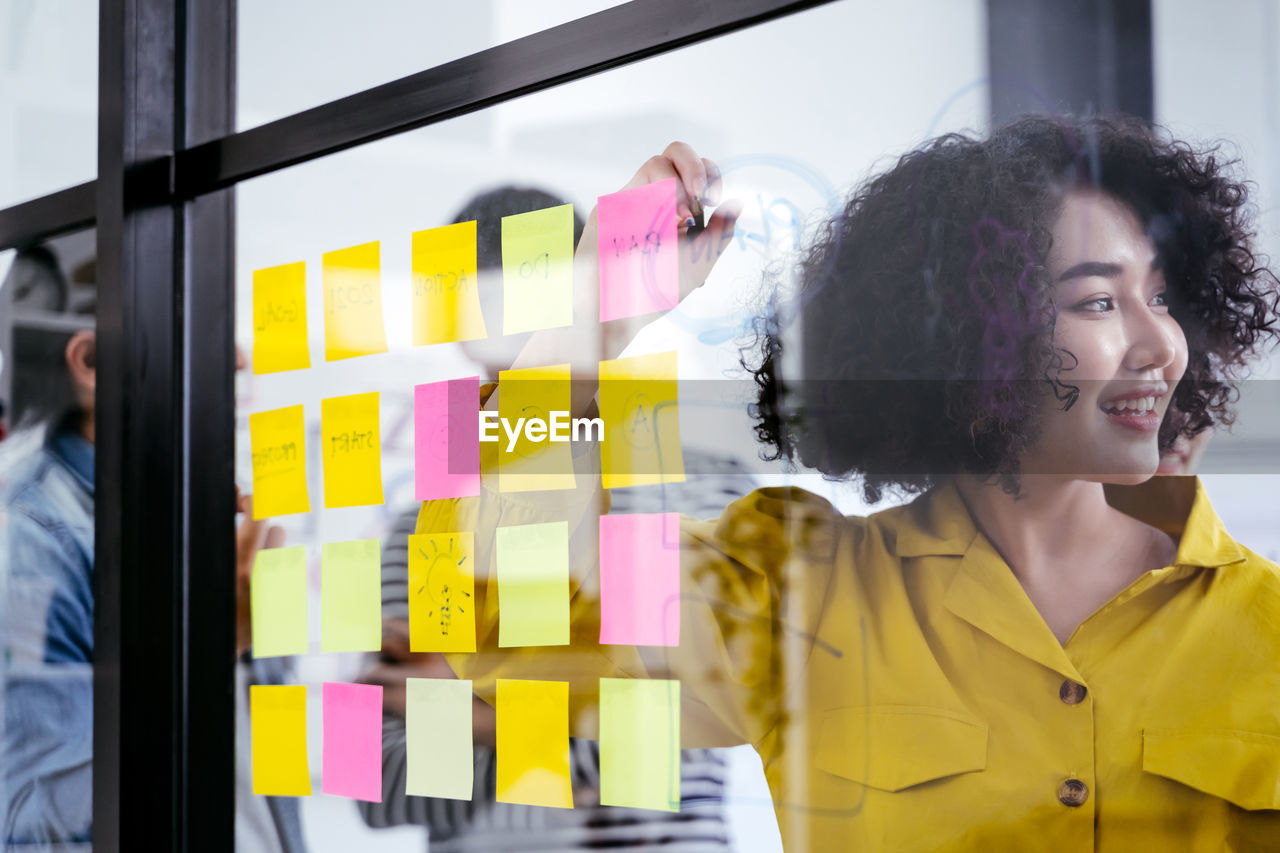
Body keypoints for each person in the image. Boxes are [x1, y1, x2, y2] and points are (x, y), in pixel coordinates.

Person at [418, 118, 1280, 851]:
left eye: (1162, 298)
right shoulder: (799, 590)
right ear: (972, 332)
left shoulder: (1265, 629)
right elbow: (500, 615)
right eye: (1096, 302)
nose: (1162, 345)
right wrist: (595, 314)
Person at [358, 186, 755, 851]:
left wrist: (479, 714)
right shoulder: (421, 525)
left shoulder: (699, 487)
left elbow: (682, 738)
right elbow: (376, 783)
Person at [0, 321, 305, 851]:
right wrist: (207, 651)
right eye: (213, 320)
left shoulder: (190, 519)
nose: (239, 359)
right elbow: (34, 830)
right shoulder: (32, 541)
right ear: (90, 361)